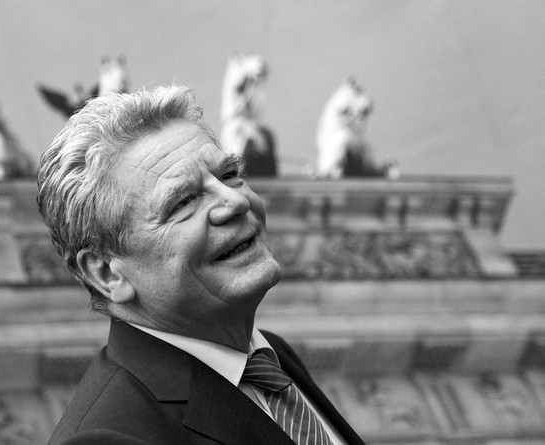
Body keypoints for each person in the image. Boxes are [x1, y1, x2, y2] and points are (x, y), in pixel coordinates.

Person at [37, 85, 364, 445]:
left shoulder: (268, 356)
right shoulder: (107, 437)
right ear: (107, 273)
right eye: (184, 201)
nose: (234, 201)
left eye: (228, 175)